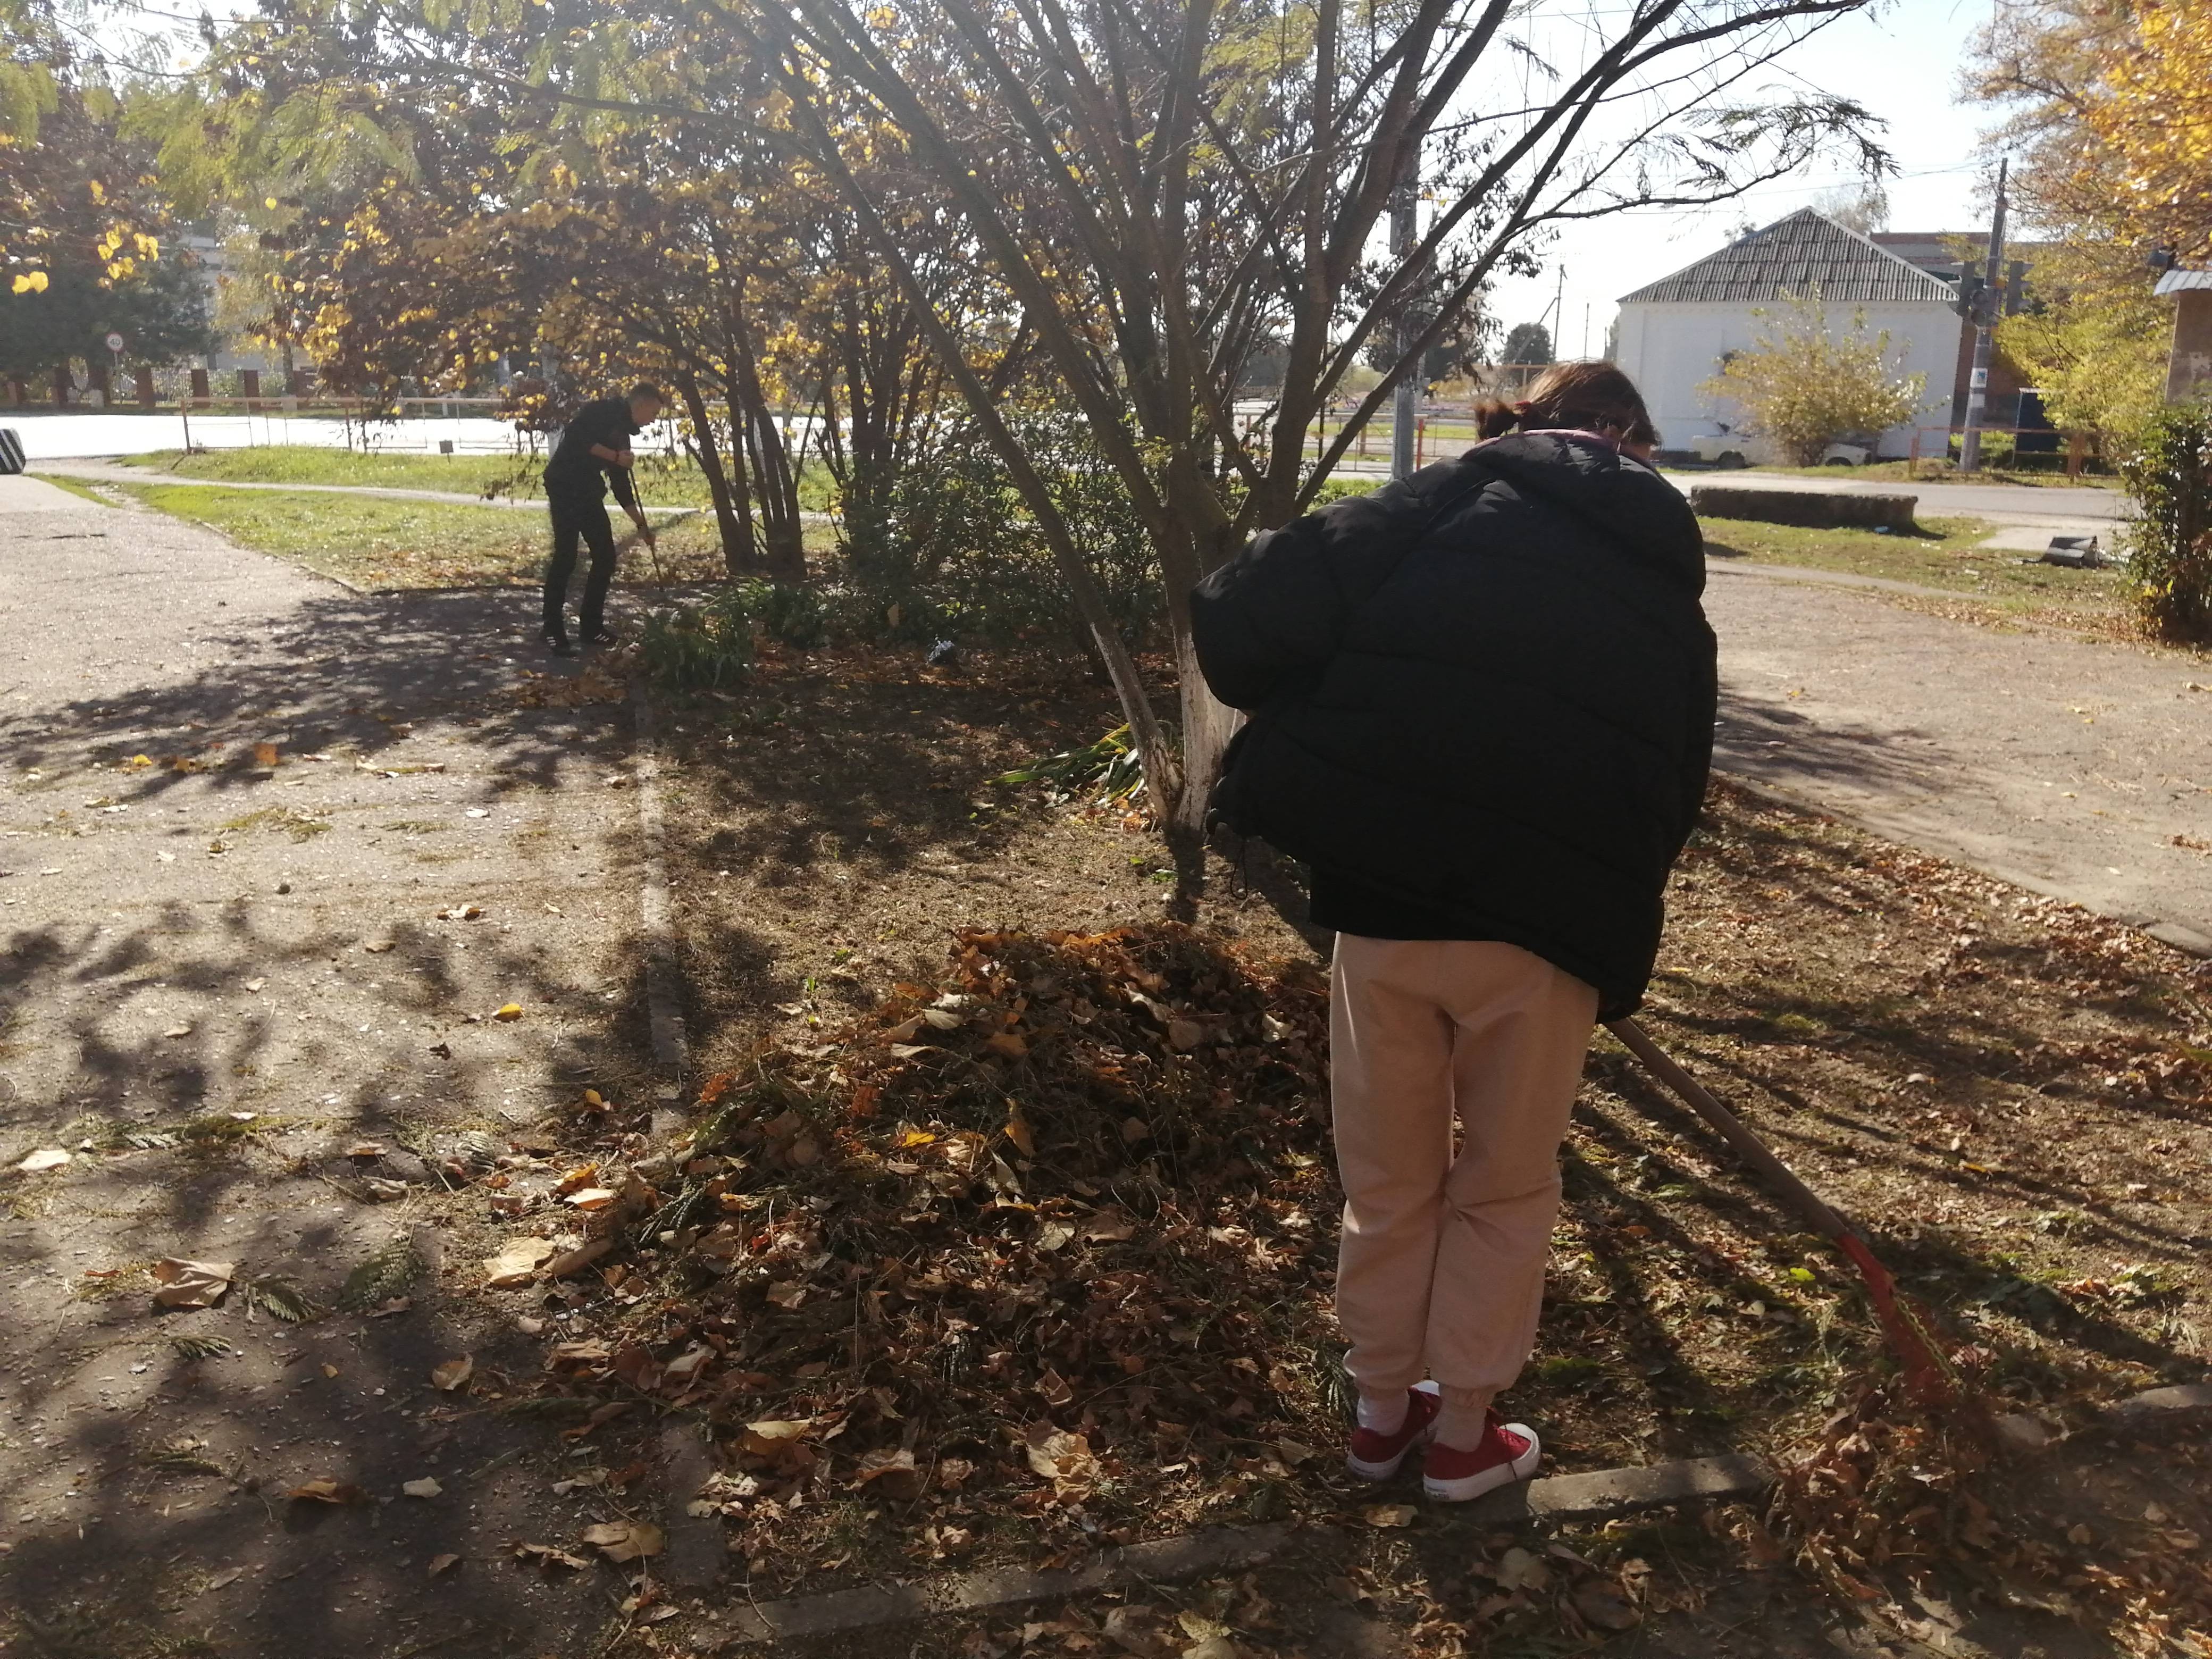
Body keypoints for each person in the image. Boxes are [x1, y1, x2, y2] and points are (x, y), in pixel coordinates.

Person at [1189, 362, 1716, 1503]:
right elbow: (1676, 788)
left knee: (1386, 1178)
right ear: (1629, 437)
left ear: (1526, 423)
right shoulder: (1662, 584)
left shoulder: (1432, 507)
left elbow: (1239, 613)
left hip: (1382, 906)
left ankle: (1381, 1417)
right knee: (1504, 1186)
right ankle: (1467, 1436)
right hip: (1544, 935)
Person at [541, 382, 665, 653]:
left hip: (588, 492)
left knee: (606, 557)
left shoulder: (623, 436)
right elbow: (576, 437)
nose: (653, 419)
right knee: (566, 557)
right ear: (641, 404)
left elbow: (621, 486)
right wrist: (614, 456)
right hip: (563, 486)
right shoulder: (603, 410)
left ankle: (591, 627)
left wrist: (642, 525)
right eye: (653, 412)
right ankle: (552, 627)